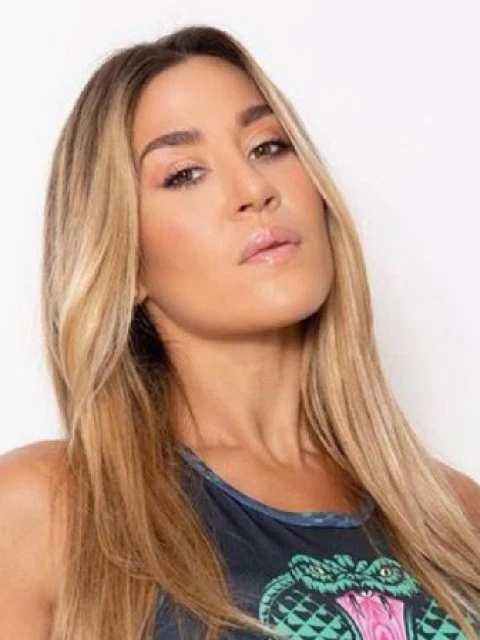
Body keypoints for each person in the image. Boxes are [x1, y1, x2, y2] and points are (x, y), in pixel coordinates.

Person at [0, 23, 478, 640]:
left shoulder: (455, 518)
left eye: (268, 146)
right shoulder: (45, 512)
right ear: (124, 260)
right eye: (184, 174)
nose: (255, 189)